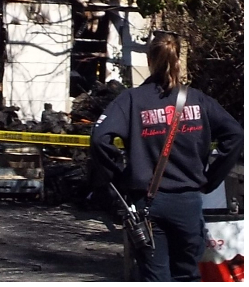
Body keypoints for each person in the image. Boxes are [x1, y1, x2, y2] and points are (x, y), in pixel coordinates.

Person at [90, 32, 243, 282]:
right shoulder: (198, 99)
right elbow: (235, 134)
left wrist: (119, 177)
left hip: (147, 203)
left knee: (155, 277)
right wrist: (210, 179)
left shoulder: (131, 100)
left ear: (150, 60)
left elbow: (99, 138)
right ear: (179, 60)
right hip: (188, 201)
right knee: (187, 275)